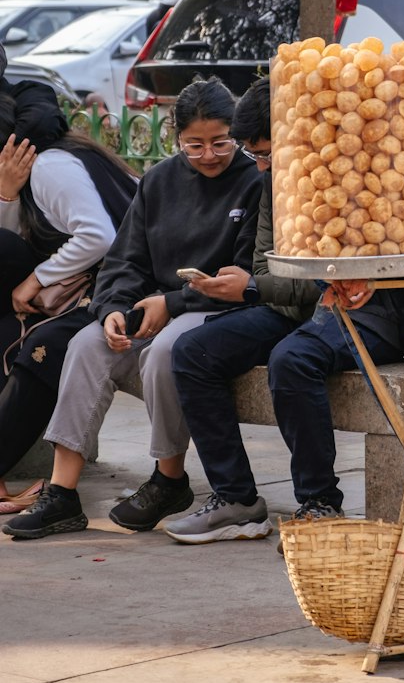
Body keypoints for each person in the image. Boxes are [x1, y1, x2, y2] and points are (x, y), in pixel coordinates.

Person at [3, 77, 263, 541]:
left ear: (236, 134)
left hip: (215, 309)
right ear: (175, 137)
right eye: (194, 144)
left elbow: (244, 274)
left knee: (166, 349)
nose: (209, 154)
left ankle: (169, 478)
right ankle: (62, 494)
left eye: (221, 142)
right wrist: (113, 309)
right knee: (85, 344)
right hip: (154, 304)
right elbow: (124, 258)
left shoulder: (255, 181)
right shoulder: (161, 180)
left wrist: (175, 301)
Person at [165, 79, 404, 544]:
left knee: (292, 359)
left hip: (370, 316)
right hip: (290, 305)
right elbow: (265, 265)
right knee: (193, 351)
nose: (261, 165)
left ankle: (320, 503)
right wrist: (256, 287)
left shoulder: (362, 166)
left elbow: (380, 265)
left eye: (267, 153)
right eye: (255, 156)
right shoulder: (272, 183)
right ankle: (236, 499)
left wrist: (264, 286)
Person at [0, 95, 137, 512]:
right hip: (88, 290)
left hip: (121, 292)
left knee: (42, 351)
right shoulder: (44, 164)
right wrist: (6, 193)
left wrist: (35, 279)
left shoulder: (51, 166)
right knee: (9, 334)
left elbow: (99, 238)